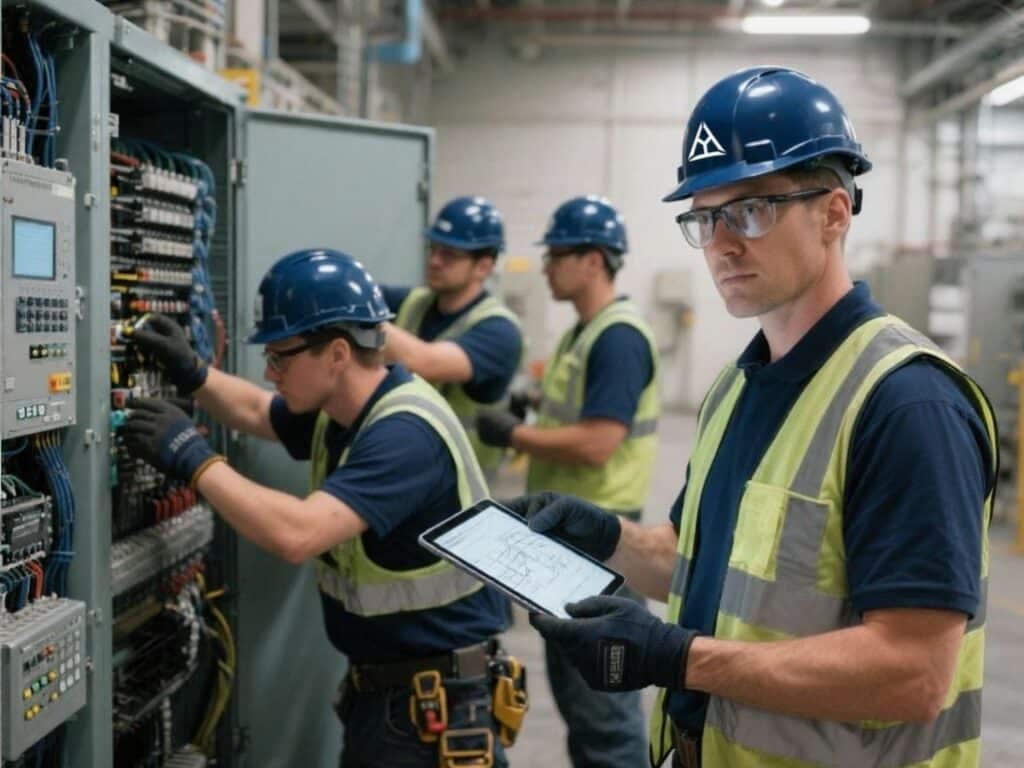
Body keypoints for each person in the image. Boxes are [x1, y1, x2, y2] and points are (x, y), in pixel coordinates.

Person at [513, 66, 996, 768]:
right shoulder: (739, 386)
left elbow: (914, 671)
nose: (721, 243)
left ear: (834, 213)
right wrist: (607, 538)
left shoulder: (906, 405)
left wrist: (680, 658)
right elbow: (704, 566)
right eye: (705, 218)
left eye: (750, 211)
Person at [120, 249, 514, 768]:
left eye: (280, 357)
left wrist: (193, 458)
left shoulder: (404, 434)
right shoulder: (345, 407)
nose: (270, 371)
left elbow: (298, 534)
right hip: (392, 697)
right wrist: (192, 372)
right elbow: (258, 411)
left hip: (434, 707)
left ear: (337, 354)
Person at [478, 196, 660, 768]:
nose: (546, 267)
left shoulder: (617, 337)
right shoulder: (582, 333)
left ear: (594, 260)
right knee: (581, 702)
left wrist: (516, 434)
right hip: (571, 539)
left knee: (604, 716)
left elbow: (599, 441)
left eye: (557, 255)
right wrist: (531, 408)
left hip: (602, 544)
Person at [382, 196, 523, 481]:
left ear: (483, 266)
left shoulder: (499, 330)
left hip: (460, 489)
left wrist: (357, 314)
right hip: (406, 474)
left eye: (449, 254)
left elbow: (425, 362)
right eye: (433, 249)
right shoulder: (413, 302)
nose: (434, 261)